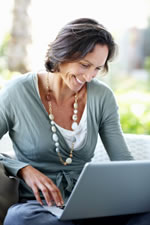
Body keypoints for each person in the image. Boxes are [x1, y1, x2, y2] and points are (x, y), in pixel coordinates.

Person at [0, 17, 149, 225]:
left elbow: (122, 159)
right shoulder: (16, 93)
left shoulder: (102, 96)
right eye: (84, 65)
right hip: (38, 207)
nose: (89, 77)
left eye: (97, 68)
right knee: (20, 219)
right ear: (63, 54)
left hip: (90, 205)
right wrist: (23, 169)